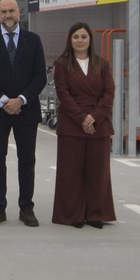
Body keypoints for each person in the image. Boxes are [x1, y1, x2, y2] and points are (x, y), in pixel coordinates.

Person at [0, 0, 47, 227]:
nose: (8, 15)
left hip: (26, 111)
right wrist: (4, 100)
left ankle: (26, 208)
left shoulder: (33, 40)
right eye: (3, 11)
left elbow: (40, 76)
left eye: (11, 11)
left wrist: (21, 100)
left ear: (20, 13)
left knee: (27, 160)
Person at [51, 22, 117, 229]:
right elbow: (63, 94)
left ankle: (97, 213)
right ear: (69, 40)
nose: (80, 40)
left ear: (90, 40)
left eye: (83, 37)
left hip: (98, 124)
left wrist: (94, 117)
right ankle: (73, 214)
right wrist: (81, 118)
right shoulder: (62, 64)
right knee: (70, 172)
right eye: (76, 37)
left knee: (98, 172)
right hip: (72, 124)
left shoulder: (102, 63)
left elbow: (109, 92)